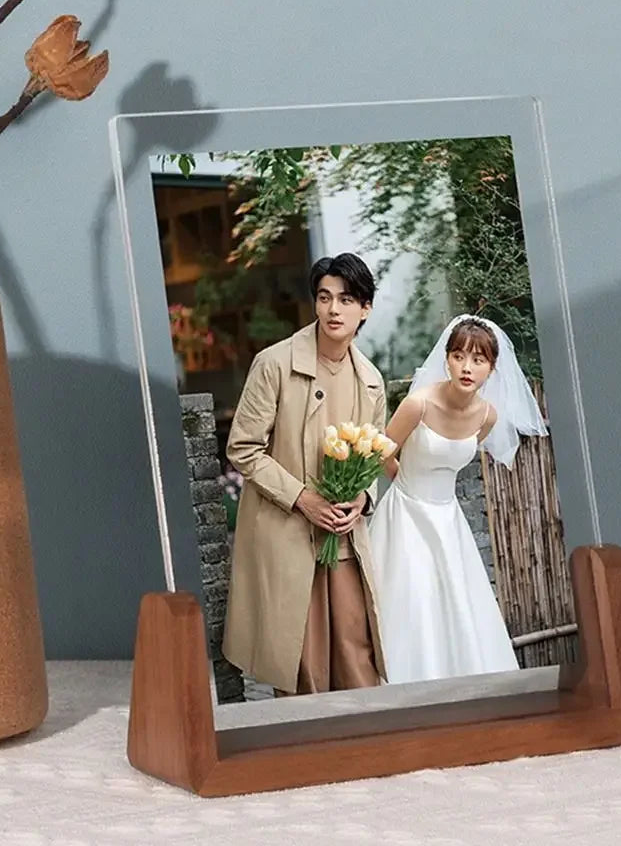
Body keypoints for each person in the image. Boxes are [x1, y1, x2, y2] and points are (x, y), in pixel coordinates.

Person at [222, 252, 388, 696]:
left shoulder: (371, 380)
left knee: (356, 648)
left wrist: (361, 500)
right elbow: (242, 447)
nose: (334, 309)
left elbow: (374, 457)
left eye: (347, 299)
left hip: (343, 535)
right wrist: (302, 498)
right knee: (304, 659)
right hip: (290, 531)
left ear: (365, 308)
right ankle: (306, 748)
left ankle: (366, 743)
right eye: (324, 297)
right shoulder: (274, 364)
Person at [367, 314, 548, 684]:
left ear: (491, 368)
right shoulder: (417, 404)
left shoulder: (488, 416)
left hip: (448, 520)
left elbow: (455, 459)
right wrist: (405, 485)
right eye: (459, 356)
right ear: (446, 358)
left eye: (478, 360)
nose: (467, 367)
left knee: (458, 605)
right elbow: (382, 450)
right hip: (405, 514)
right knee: (412, 602)